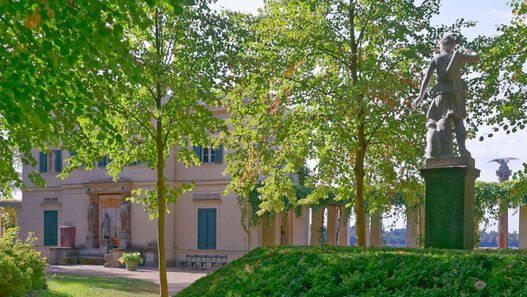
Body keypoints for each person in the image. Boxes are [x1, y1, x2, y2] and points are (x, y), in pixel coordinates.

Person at [412, 33, 479, 157]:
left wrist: (420, 96)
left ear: (442, 43)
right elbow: (476, 57)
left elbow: (427, 79)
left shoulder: (437, 59)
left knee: (442, 118)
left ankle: (446, 153)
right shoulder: (458, 57)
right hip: (457, 90)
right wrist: (469, 51)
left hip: (442, 91)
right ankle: (462, 148)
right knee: (459, 121)